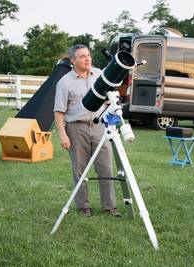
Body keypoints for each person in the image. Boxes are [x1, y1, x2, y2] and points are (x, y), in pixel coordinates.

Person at [53, 44, 121, 217]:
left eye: (88, 55)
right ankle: (83, 206)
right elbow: (59, 111)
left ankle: (110, 206)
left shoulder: (99, 74)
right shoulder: (64, 83)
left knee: (105, 167)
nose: (87, 58)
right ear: (73, 60)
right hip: (76, 128)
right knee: (80, 169)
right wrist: (63, 135)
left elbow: (109, 97)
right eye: (82, 56)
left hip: (100, 126)